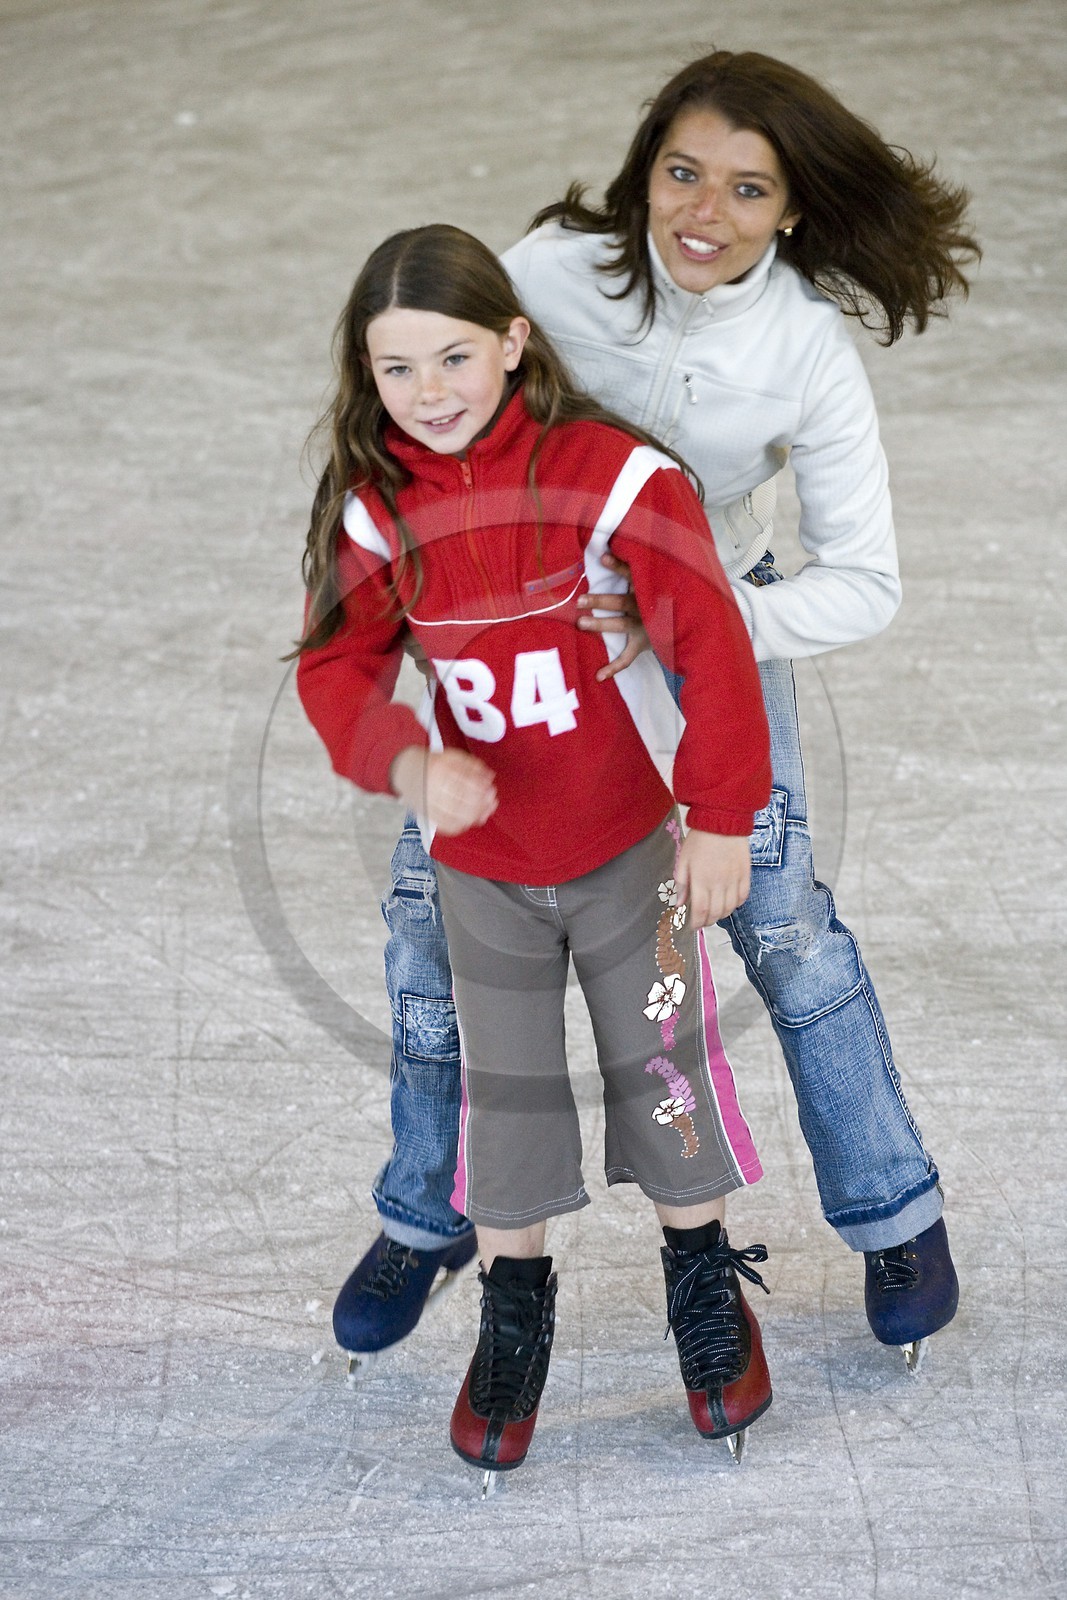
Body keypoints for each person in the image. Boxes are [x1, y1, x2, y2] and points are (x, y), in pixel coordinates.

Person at [334, 50, 979, 1377]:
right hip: (524, 650)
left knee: (780, 923)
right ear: (643, 171)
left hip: (702, 643)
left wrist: (693, 614)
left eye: (748, 188)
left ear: (790, 208)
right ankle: (429, 1211)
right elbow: (442, 391)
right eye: (682, 172)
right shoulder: (551, 274)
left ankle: (891, 1212)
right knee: (430, 924)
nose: (703, 211)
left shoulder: (802, 349)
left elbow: (863, 580)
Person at [295, 222, 777, 1477]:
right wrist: (407, 761)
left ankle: (701, 1281)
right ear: (366, 374)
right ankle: (512, 1313)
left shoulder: (610, 477)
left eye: (453, 356)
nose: (429, 391)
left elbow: (709, 642)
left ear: (513, 342)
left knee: (663, 1071)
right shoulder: (377, 512)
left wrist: (721, 814)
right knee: (503, 1096)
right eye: (397, 368)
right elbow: (336, 667)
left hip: (630, 851)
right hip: (484, 874)